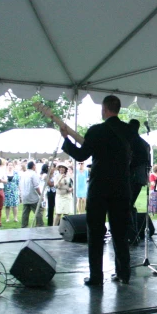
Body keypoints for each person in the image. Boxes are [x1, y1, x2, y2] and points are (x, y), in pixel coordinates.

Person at [59, 95, 134, 286]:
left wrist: (66, 139)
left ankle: (96, 277)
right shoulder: (129, 130)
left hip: (99, 189)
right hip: (122, 189)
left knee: (95, 233)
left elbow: (81, 155)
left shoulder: (96, 131)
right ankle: (124, 274)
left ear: (105, 109)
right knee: (120, 233)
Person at [19, 160, 42, 228]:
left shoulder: (23, 174)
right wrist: (40, 194)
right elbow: (36, 186)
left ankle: (24, 225)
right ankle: (39, 224)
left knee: (25, 212)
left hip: (25, 195)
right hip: (32, 196)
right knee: (38, 211)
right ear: (33, 166)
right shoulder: (33, 174)